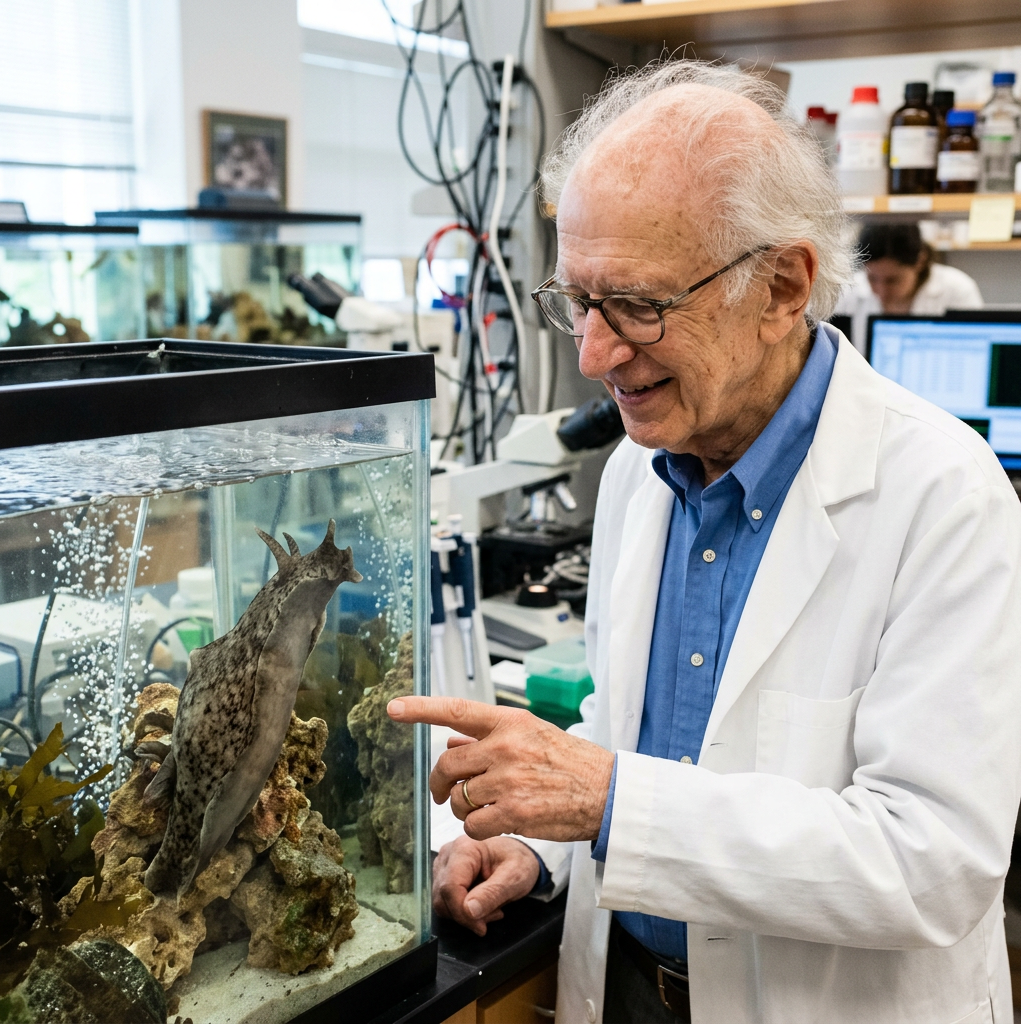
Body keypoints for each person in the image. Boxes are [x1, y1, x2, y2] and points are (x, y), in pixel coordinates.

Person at [388, 60, 1021, 1024]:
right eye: (578, 302)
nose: (594, 356)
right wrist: (542, 842)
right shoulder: (645, 467)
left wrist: (605, 804)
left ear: (781, 287)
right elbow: (626, 726)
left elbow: (931, 862)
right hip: (632, 988)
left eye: (639, 305)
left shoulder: (944, 497)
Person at [836, 222, 983, 352]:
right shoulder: (847, 293)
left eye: (892, 281)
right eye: (872, 279)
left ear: (920, 260)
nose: (881, 291)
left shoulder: (957, 291)